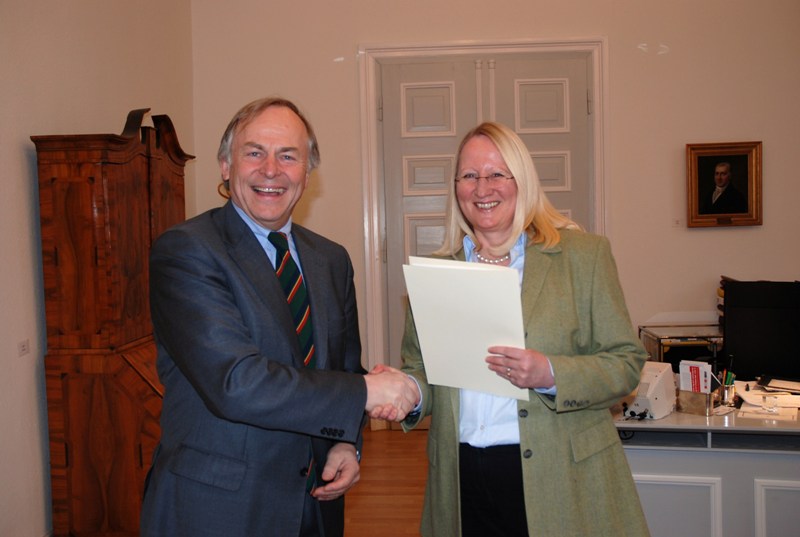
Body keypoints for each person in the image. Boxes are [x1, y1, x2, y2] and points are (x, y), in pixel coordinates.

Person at [139, 96, 418, 537]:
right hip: (220, 509)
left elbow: (342, 369)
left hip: (316, 504)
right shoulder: (187, 251)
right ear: (225, 165)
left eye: (288, 156)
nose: (271, 170)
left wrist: (345, 443)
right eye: (254, 153)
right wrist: (366, 391)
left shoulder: (331, 259)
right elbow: (236, 382)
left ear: (307, 173)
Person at [396, 122, 651, 536]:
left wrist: (550, 373)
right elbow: (422, 369)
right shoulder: (437, 273)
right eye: (469, 175)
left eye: (497, 173)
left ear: (523, 180)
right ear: (456, 187)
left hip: (561, 477)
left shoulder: (583, 256)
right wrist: (407, 391)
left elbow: (626, 363)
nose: (482, 188)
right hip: (461, 479)